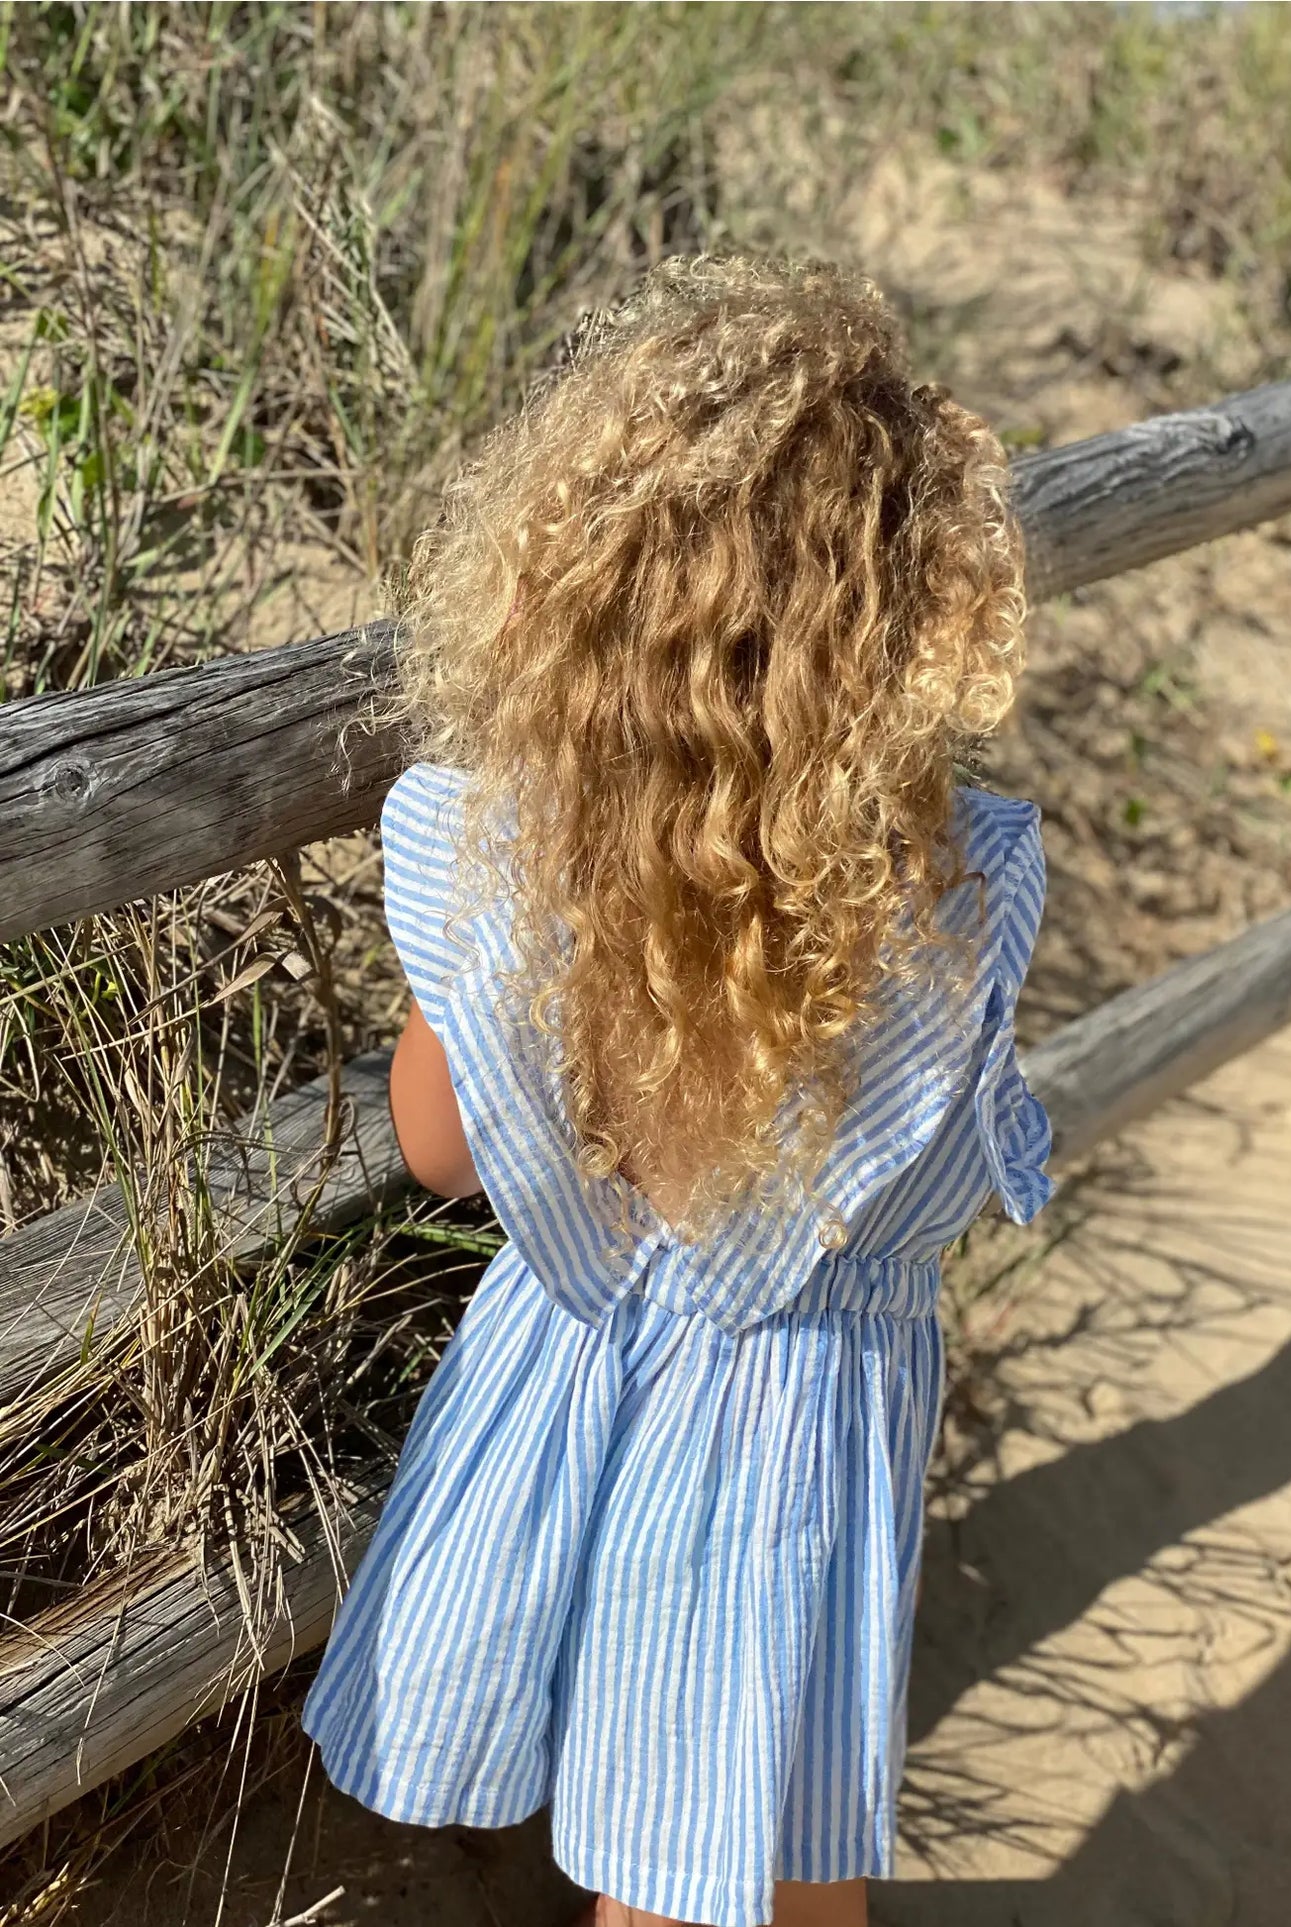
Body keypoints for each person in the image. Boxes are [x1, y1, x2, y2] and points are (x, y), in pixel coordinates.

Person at [301, 251, 1053, 1927]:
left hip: (567, 1398)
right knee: (741, 1863)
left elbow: (440, 1154)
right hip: (805, 1447)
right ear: (913, 620)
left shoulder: (496, 852)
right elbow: (951, 1174)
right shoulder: (954, 882)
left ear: (576, 591)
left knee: (657, 1862)